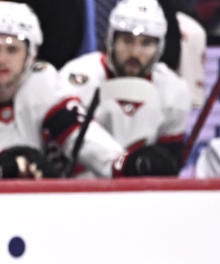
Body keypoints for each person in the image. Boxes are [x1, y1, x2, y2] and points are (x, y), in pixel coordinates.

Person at [0, 2, 156, 179]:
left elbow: (80, 133)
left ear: (31, 55)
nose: (1, 59)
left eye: (12, 49)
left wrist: (121, 163)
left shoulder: (44, 82)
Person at [59, 0, 190, 176]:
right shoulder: (77, 77)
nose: (135, 53)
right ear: (111, 39)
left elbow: (166, 167)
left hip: (141, 197)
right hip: (80, 195)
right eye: (127, 40)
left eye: (146, 43)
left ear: (159, 48)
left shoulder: (173, 90)